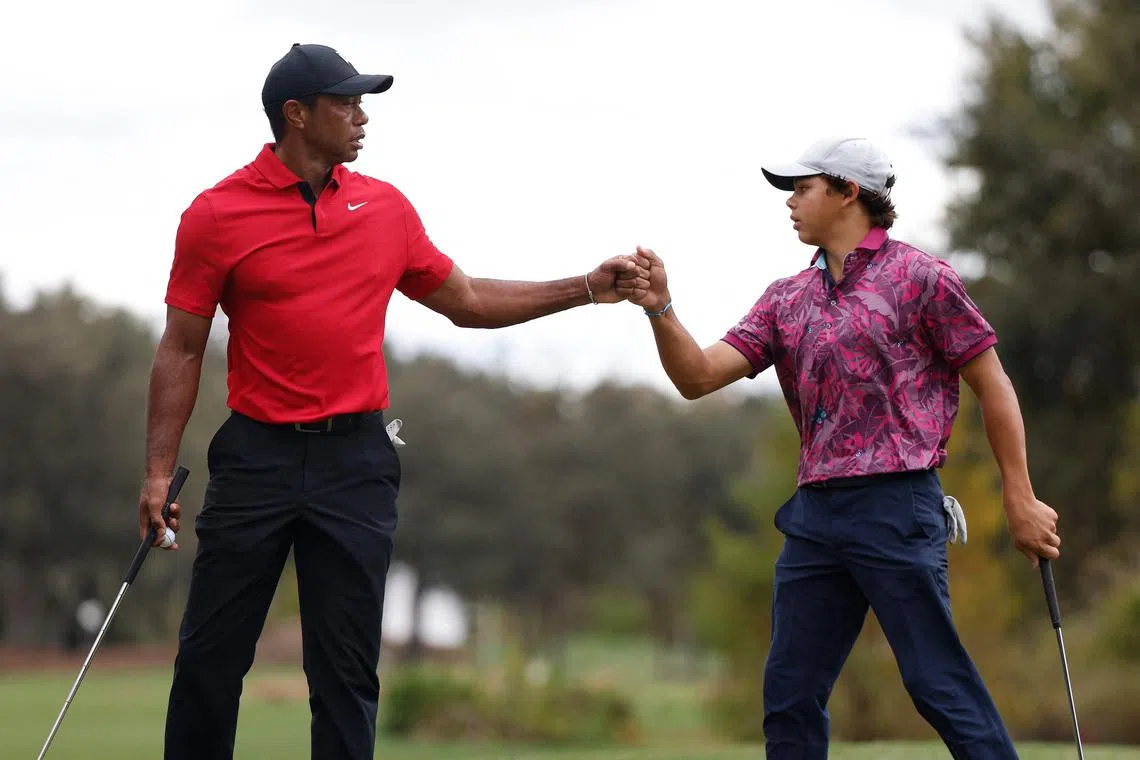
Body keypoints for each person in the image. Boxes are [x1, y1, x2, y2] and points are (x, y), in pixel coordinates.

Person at [139, 42, 648, 760]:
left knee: (346, 673)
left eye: (361, 102)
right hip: (258, 457)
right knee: (209, 662)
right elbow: (182, 347)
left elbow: (466, 302)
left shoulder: (384, 208)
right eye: (345, 103)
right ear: (297, 114)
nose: (361, 116)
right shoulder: (217, 215)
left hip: (357, 462)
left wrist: (586, 287)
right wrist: (158, 472)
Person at [628, 136, 1062, 759]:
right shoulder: (786, 299)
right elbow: (697, 377)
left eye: (802, 189)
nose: (790, 204)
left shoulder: (922, 279)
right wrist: (661, 309)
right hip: (816, 517)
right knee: (790, 694)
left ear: (848, 192)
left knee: (936, 683)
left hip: (898, 504)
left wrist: (1019, 496)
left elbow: (993, 385)